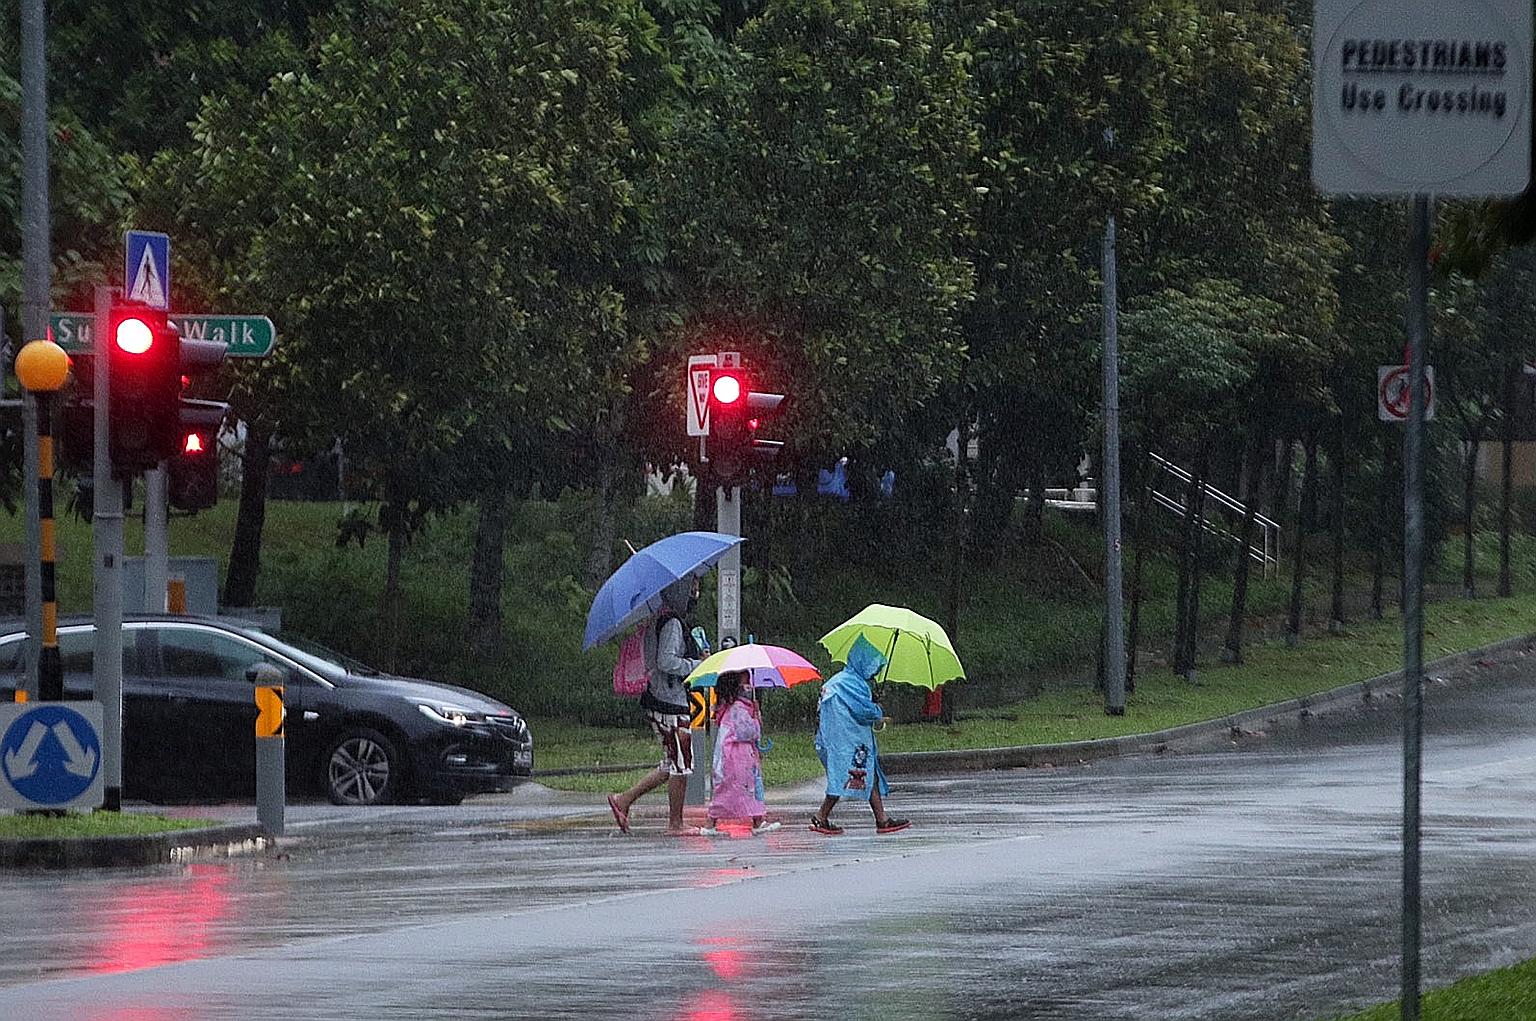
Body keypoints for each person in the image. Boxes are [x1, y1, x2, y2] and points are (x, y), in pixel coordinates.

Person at [607, 577, 704, 836]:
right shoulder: (671, 623)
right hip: (668, 701)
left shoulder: (662, 618)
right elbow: (666, 662)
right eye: (691, 587)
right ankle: (675, 823)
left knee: (670, 763)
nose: (695, 592)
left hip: (661, 698)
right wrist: (697, 666)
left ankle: (623, 800)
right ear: (678, 590)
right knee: (681, 765)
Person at [811, 635, 910, 835]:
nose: (874, 672)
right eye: (873, 666)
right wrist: (877, 709)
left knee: (866, 775)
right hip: (847, 743)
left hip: (834, 740)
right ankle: (820, 817)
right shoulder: (853, 684)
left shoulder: (838, 681)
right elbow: (864, 712)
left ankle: (881, 820)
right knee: (842, 778)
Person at [702, 671, 779, 836]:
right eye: (746, 681)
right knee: (744, 786)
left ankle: (756, 819)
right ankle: (754, 820)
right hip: (737, 756)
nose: (749, 685)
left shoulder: (734, 707)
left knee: (744, 787)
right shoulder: (739, 708)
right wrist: (756, 720)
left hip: (738, 754)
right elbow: (747, 732)